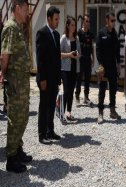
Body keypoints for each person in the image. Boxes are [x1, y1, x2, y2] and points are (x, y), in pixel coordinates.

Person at [0, 0, 32, 173]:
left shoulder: (19, 27)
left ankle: (18, 148)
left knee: (23, 117)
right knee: (15, 118)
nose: (27, 13)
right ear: (17, 9)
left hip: (23, 82)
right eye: (26, 9)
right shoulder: (10, 27)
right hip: (15, 83)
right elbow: (5, 55)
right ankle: (11, 158)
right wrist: (4, 74)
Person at [36, 6, 61, 144]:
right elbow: (40, 59)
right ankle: (41, 135)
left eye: (58, 19)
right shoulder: (41, 33)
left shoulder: (56, 35)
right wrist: (42, 78)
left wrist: (58, 77)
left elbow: (57, 58)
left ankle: (50, 131)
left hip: (54, 78)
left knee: (51, 105)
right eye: (56, 19)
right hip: (45, 79)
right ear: (49, 18)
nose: (58, 21)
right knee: (43, 106)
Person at [96, 12, 121, 123]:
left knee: (113, 90)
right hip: (104, 68)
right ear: (107, 20)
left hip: (112, 68)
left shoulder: (114, 33)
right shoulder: (101, 33)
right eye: (112, 20)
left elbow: (117, 51)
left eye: (115, 20)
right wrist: (100, 64)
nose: (114, 22)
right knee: (102, 90)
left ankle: (112, 111)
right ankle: (100, 114)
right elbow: (98, 50)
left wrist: (119, 64)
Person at [60, 16, 81, 122]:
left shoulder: (76, 38)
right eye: (72, 25)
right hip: (65, 69)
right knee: (66, 91)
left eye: (74, 25)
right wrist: (69, 55)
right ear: (68, 26)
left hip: (74, 68)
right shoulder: (64, 38)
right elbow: (58, 54)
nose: (74, 27)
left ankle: (69, 112)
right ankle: (61, 113)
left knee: (71, 91)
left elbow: (79, 53)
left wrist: (77, 55)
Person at [75, 14, 95, 106]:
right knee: (79, 78)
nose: (88, 23)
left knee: (88, 79)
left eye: (89, 21)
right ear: (83, 21)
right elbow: (75, 45)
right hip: (80, 59)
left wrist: (93, 58)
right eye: (86, 21)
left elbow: (92, 47)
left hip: (88, 59)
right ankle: (77, 96)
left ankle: (86, 97)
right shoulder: (79, 32)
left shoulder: (90, 34)